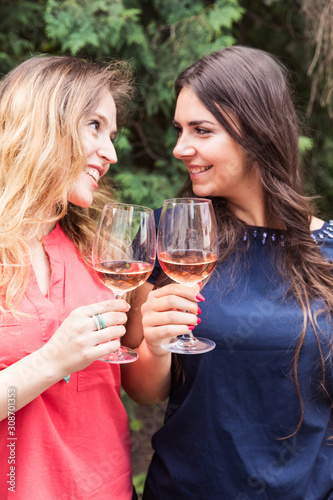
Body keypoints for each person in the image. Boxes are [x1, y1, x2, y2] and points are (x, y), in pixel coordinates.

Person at [121, 46, 333, 499]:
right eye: (180, 130)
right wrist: (155, 347)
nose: (181, 148)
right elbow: (144, 392)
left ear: (258, 131)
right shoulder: (171, 238)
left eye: (202, 130)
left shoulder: (328, 252)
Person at [0, 55, 138, 499]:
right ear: (41, 121)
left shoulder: (98, 251)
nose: (111, 153)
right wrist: (51, 361)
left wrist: (155, 336)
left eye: (112, 135)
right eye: (94, 126)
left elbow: (140, 387)